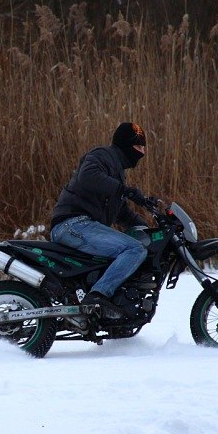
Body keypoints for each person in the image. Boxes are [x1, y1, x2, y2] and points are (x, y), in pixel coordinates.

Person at [50, 122, 157, 318]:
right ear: (126, 145)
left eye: (144, 147)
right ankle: (98, 297)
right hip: (73, 224)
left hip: (82, 226)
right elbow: (88, 176)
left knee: (133, 247)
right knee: (134, 249)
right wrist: (124, 190)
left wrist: (146, 227)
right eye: (138, 147)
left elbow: (122, 213)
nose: (142, 152)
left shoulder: (116, 172)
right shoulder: (102, 155)